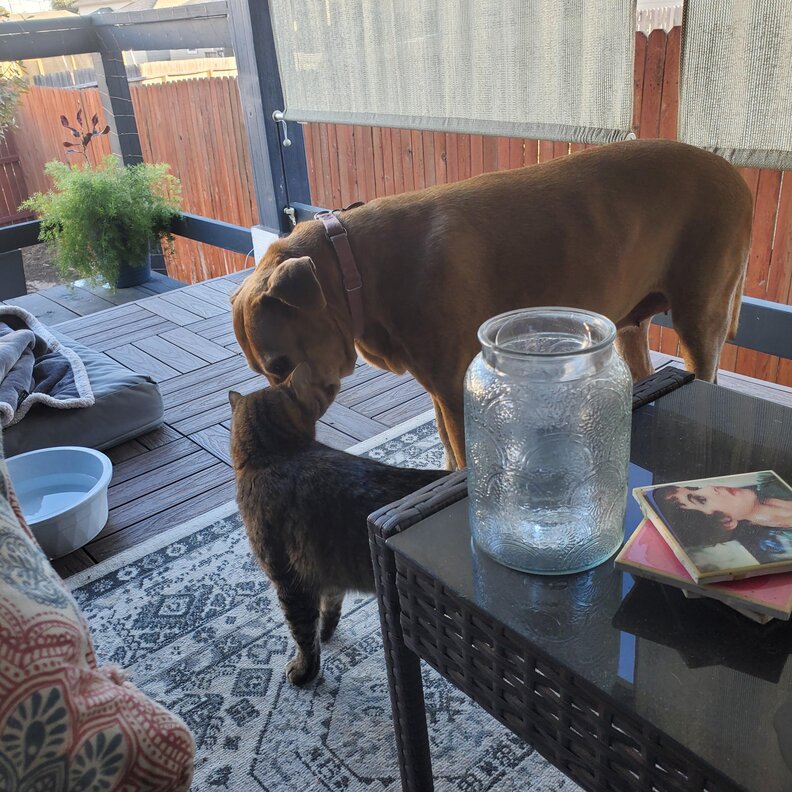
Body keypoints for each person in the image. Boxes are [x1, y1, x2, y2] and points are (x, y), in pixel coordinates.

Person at [649, 473, 792, 566]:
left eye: (692, 488)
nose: (710, 488)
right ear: (727, 522)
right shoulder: (774, 552)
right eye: (701, 499)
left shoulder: (769, 481)